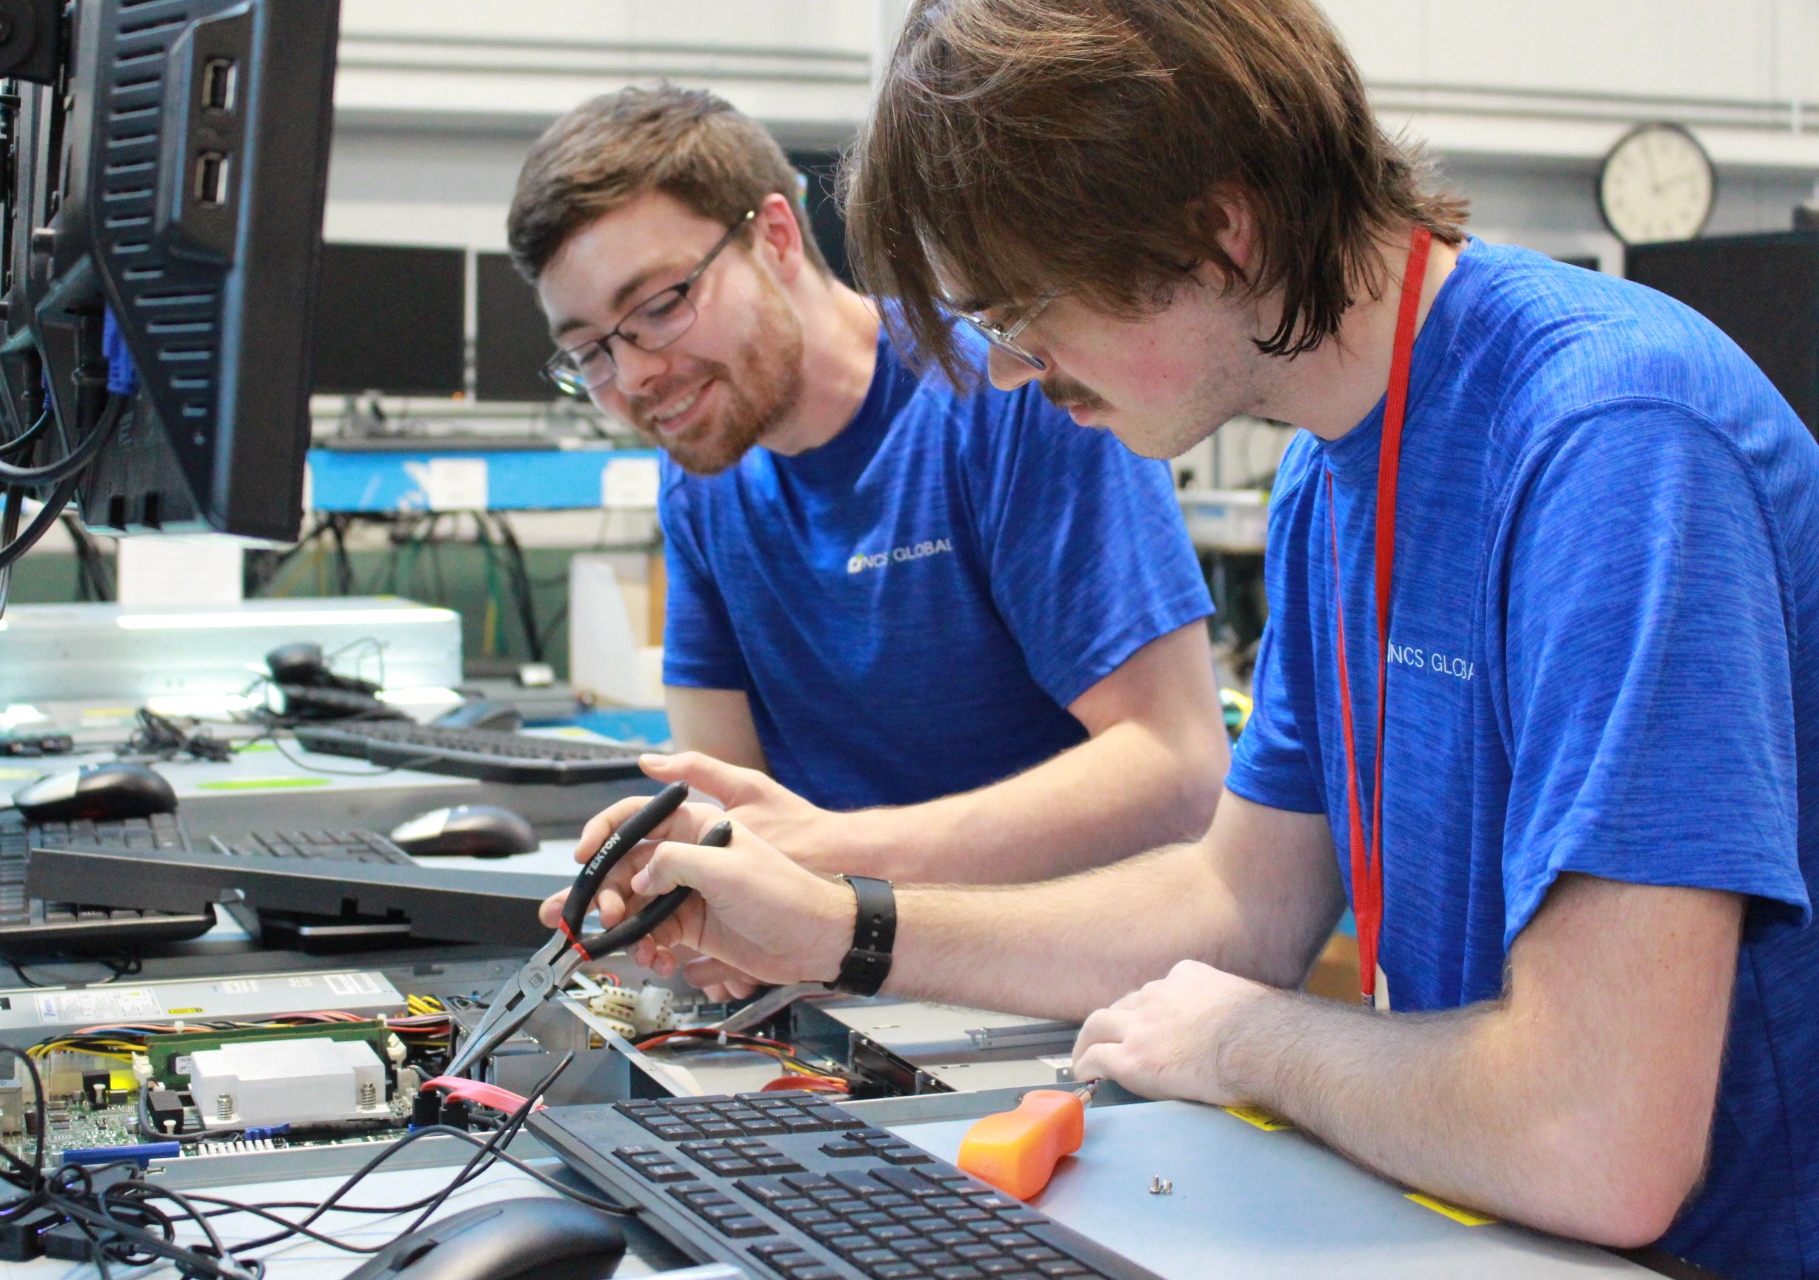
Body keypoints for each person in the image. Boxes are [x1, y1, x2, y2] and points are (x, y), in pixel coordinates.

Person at [542, 3, 1819, 1276]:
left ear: (1217, 226)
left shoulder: (1610, 444)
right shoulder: (1333, 484)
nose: (1006, 367)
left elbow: (1592, 1130)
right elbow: (1237, 901)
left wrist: (1250, 1039)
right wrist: (834, 922)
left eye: (1021, 307)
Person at [507, 85, 1228, 883]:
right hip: (852, 967)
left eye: (662, 304)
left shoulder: (1014, 392)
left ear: (776, 236)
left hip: (1070, 975)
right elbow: (720, 792)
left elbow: (1180, 769)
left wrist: (826, 864)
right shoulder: (701, 470)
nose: (636, 376)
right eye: (591, 354)